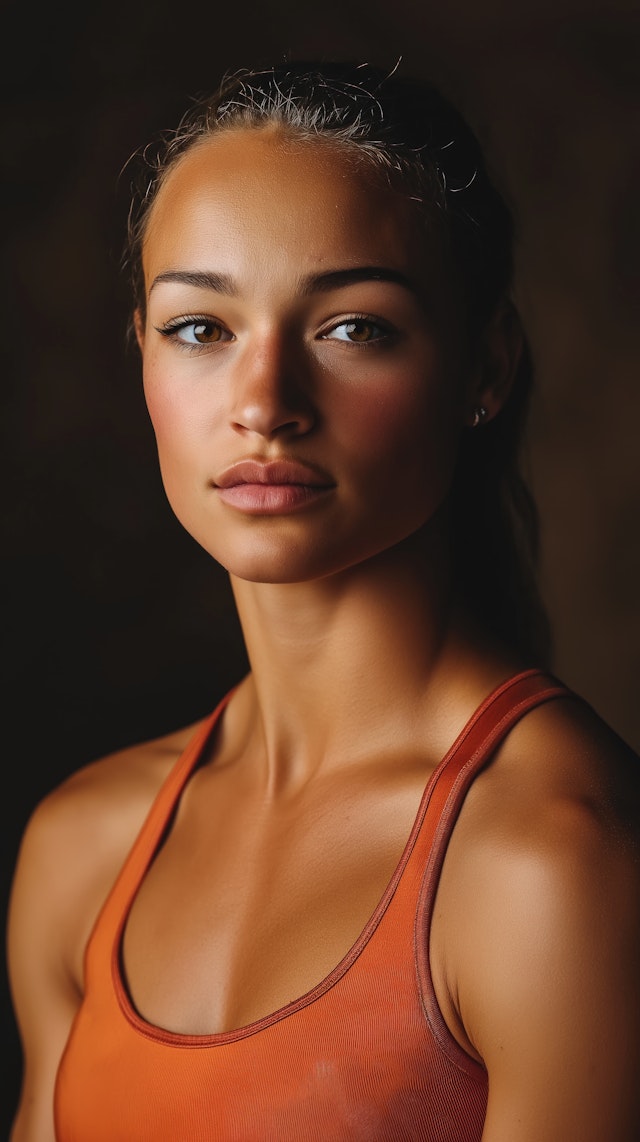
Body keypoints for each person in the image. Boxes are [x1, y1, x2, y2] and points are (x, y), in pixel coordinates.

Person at [7, 60, 640, 1142]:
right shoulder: (84, 844)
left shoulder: (553, 859)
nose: (263, 405)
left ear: (484, 367)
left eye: (352, 327)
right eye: (201, 328)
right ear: (142, 357)